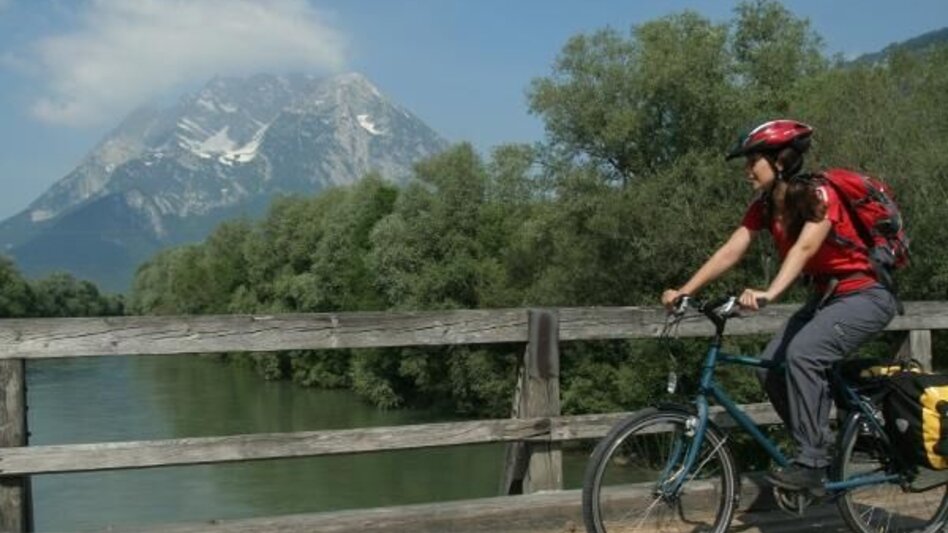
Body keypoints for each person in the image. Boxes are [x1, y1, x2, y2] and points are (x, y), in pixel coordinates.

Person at [661, 119, 898, 490]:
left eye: (752, 161)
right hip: (826, 297)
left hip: (865, 294)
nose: (746, 171)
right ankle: (822, 446)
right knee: (770, 368)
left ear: (781, 161)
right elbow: (733, 247)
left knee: (803, 354)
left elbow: (805, 247)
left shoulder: (820, 195)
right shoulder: (766, 206)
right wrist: (684, 290)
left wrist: (771, 293)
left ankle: (813, 461)